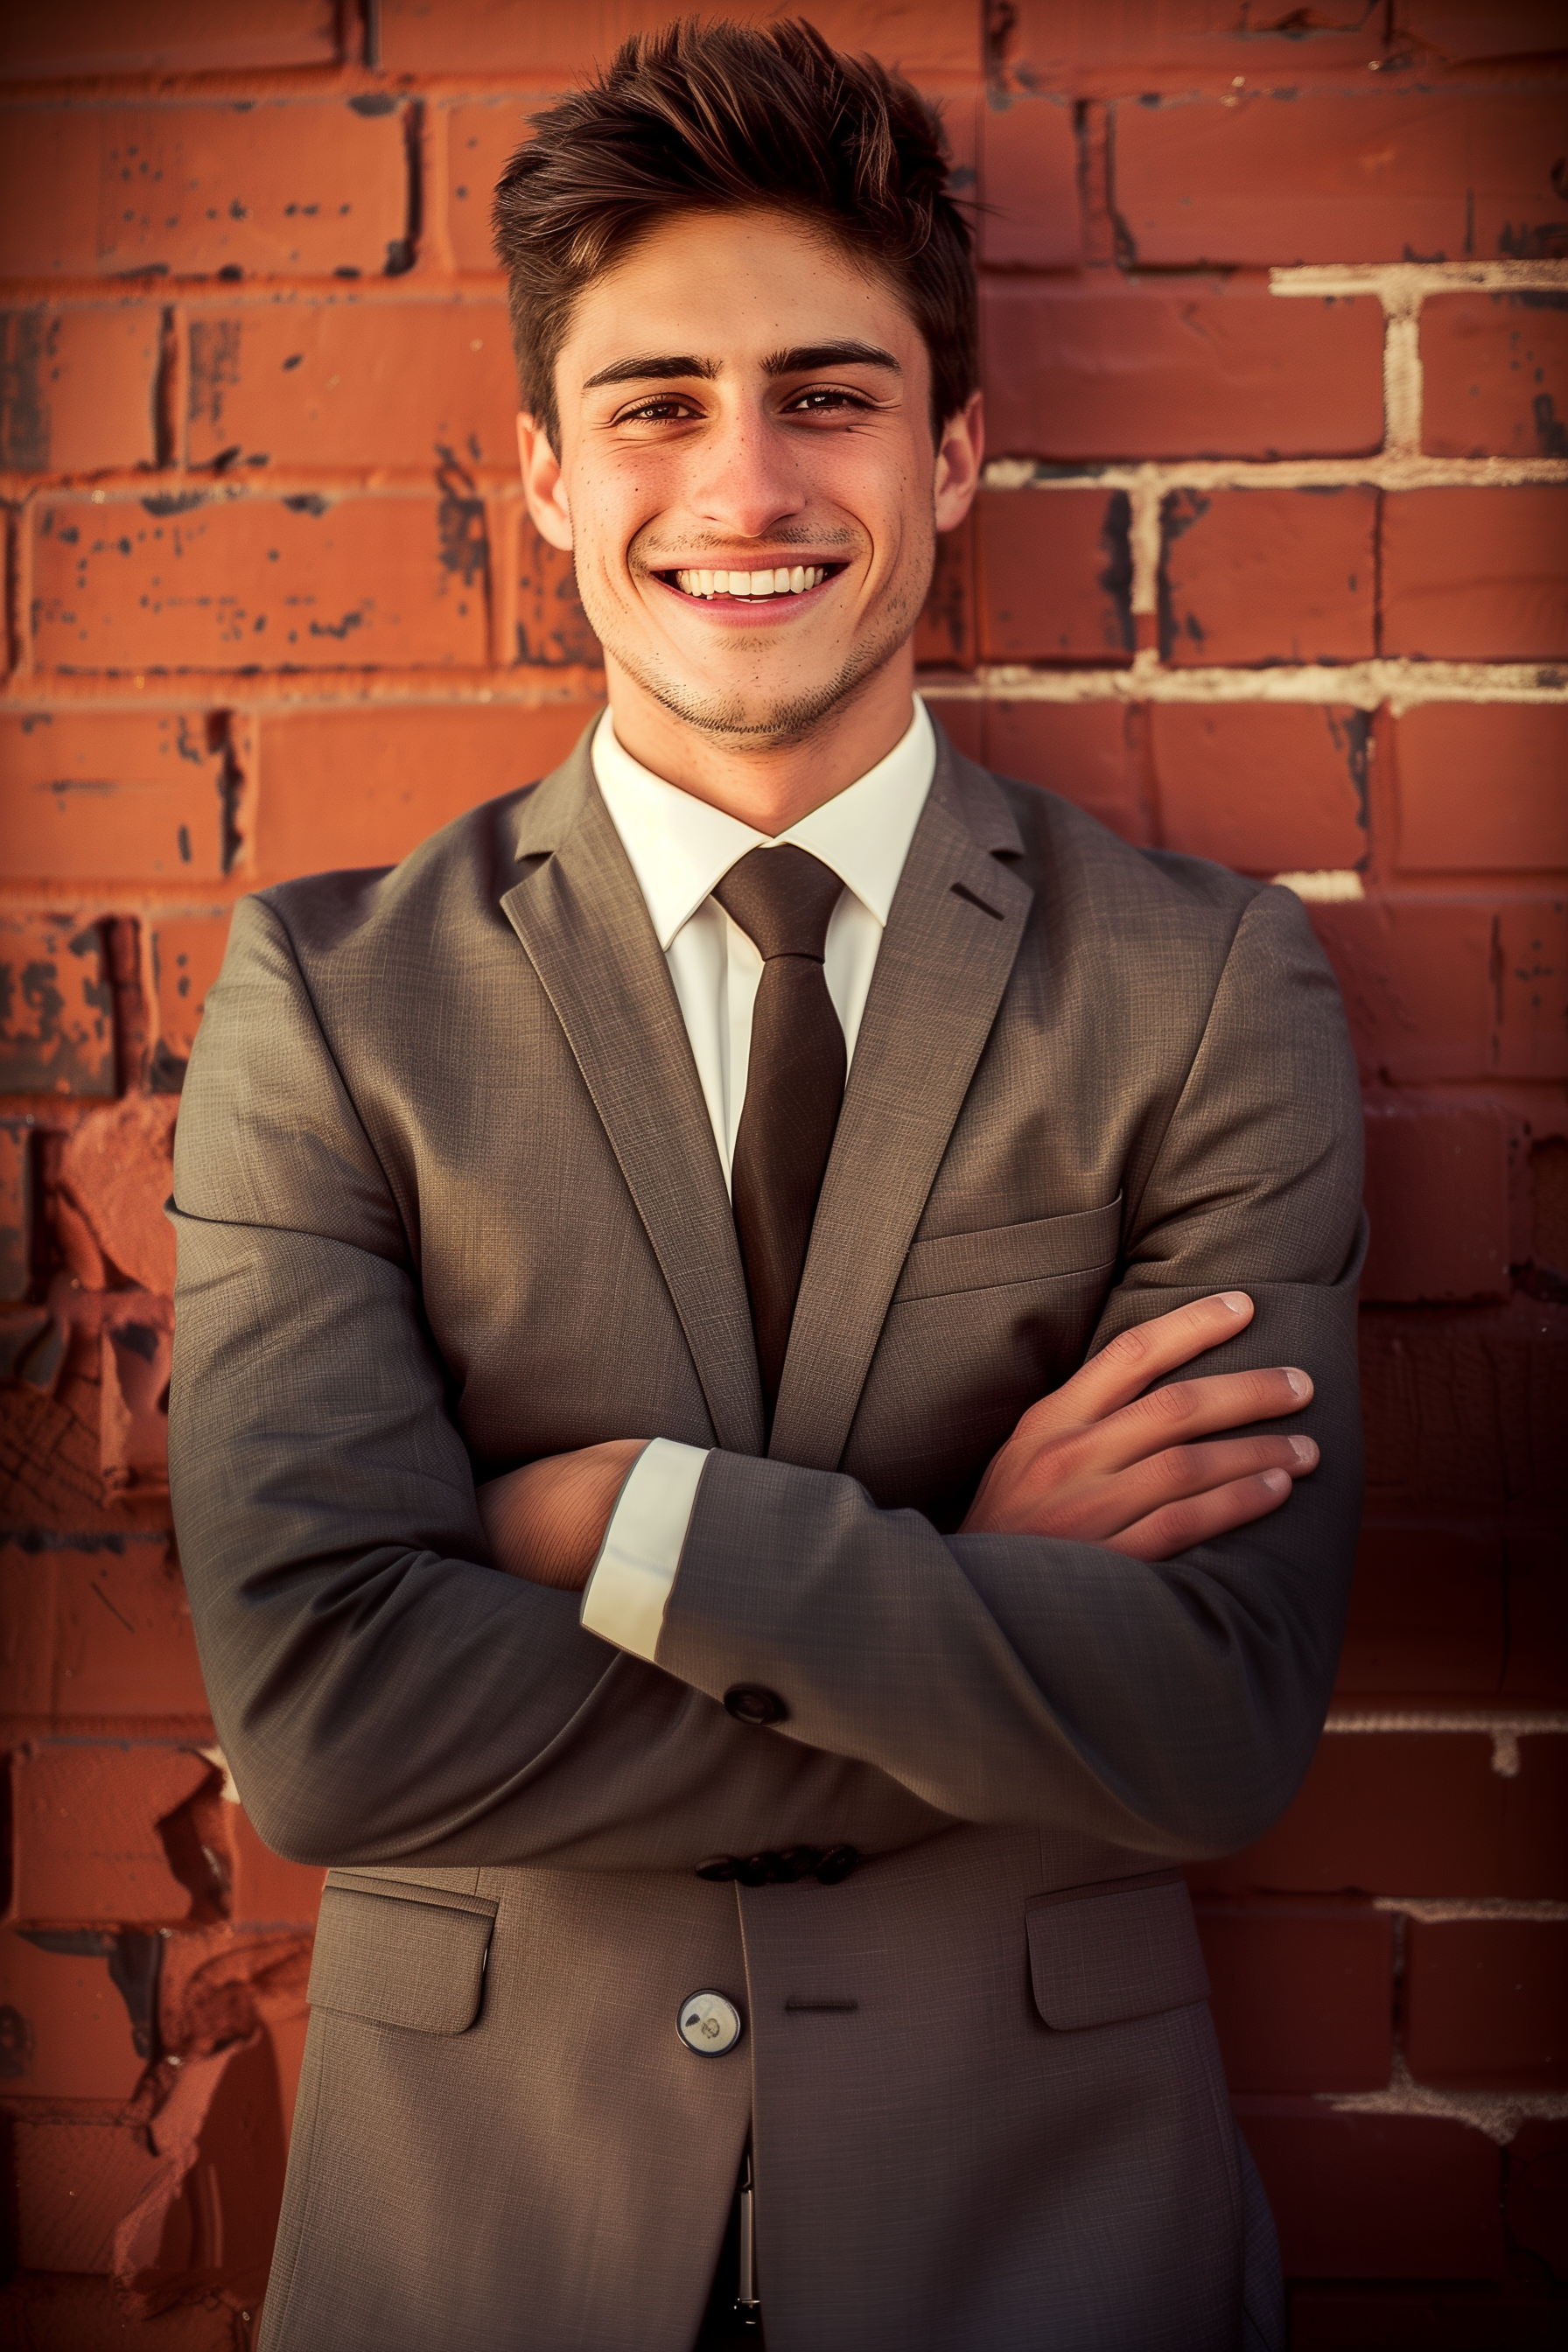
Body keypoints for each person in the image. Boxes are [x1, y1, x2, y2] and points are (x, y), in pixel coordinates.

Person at [168, 18, 1364, 2350]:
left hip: (1044, 2248)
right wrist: (979, 1592)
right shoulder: (325, 996)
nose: (743, 486)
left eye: (828, 396)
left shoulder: (1206, 987)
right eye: (655, 405)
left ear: (955, 456)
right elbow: (324, 1721)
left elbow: (1213, 1717)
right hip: (480, 2245)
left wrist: (616, 1519)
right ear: (535, 474)